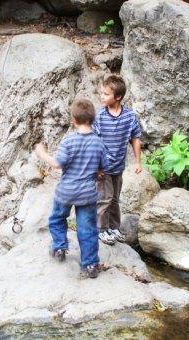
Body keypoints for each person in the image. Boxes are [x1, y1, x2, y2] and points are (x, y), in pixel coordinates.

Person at [35, 98, 111, 279]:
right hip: (87, 194)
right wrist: (98, 173)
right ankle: (90, 264)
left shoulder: (68, 140)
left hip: (66, 192)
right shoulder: (99, 143)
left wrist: (42, 152)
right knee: (88, 229)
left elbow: (56, 164)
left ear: (74, 121)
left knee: (57, 218)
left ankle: (59, 248)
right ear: (93, 120)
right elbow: (104, 167)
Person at [93, 74, 142, 246]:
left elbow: (135, 138)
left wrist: (137, 162)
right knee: (104, 198)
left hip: (118, 167)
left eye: (106, 94)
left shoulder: (129, 117)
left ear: (118, 97)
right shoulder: (99, 117)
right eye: (101, 93)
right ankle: (101, 229)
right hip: (103, 168)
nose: (102, 96)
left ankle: (114, 227)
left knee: (114, 198)